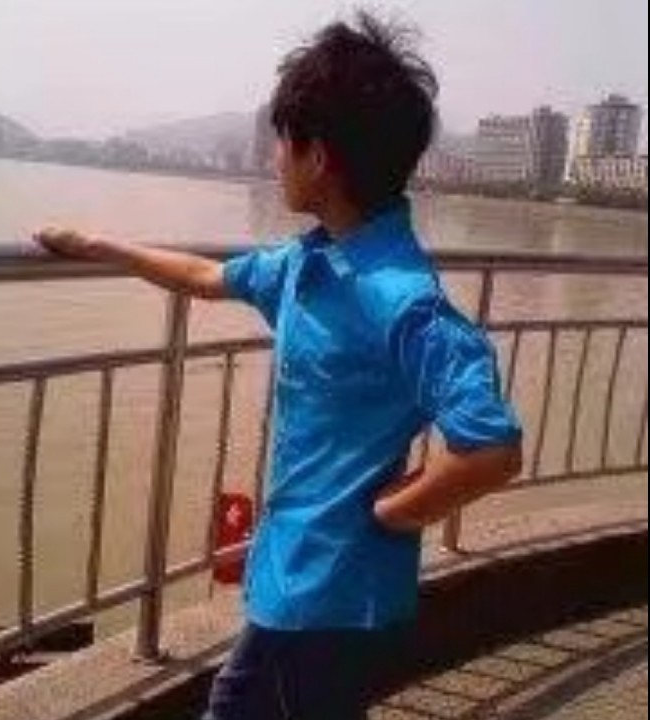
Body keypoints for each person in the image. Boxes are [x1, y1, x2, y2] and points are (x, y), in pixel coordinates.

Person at [36, 11, 523, 719]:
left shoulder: (401, 299)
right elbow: (207, 276)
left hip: (331, 590)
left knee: (238, 705)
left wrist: (394, 512)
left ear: (317, 156)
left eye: (282, 141)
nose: (273, 158)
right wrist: (99, 246)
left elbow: (493, 451)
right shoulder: (307, 262)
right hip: (297, 572)